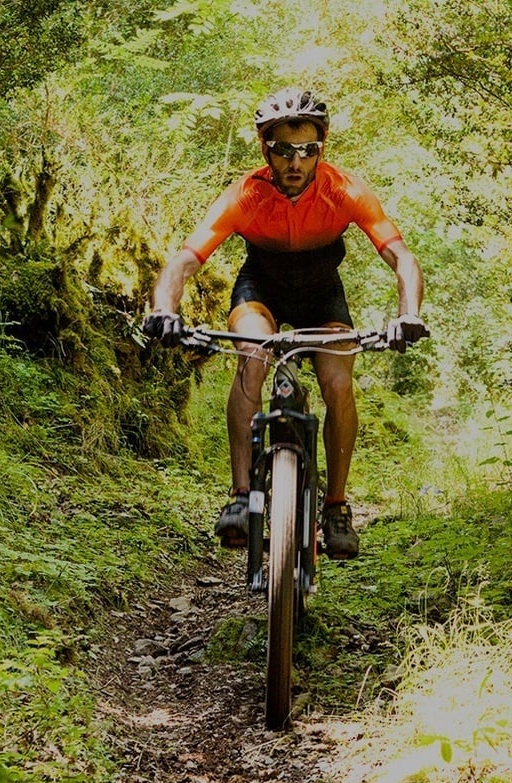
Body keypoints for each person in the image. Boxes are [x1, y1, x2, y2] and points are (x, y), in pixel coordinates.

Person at [142, 88, 427, 560]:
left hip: (322, 295)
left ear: (321, 149)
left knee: (338, 382)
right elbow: (184, 262)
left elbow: (401, 256)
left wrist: (408, 313)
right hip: (262, 290)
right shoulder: (245, 195)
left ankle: (336, 507)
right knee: (252, 356)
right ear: (265, 150)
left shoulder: (344, 190)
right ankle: (240, 497)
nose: (296, 162)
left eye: (308, 150)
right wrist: (164, 310)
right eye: (283, 149)